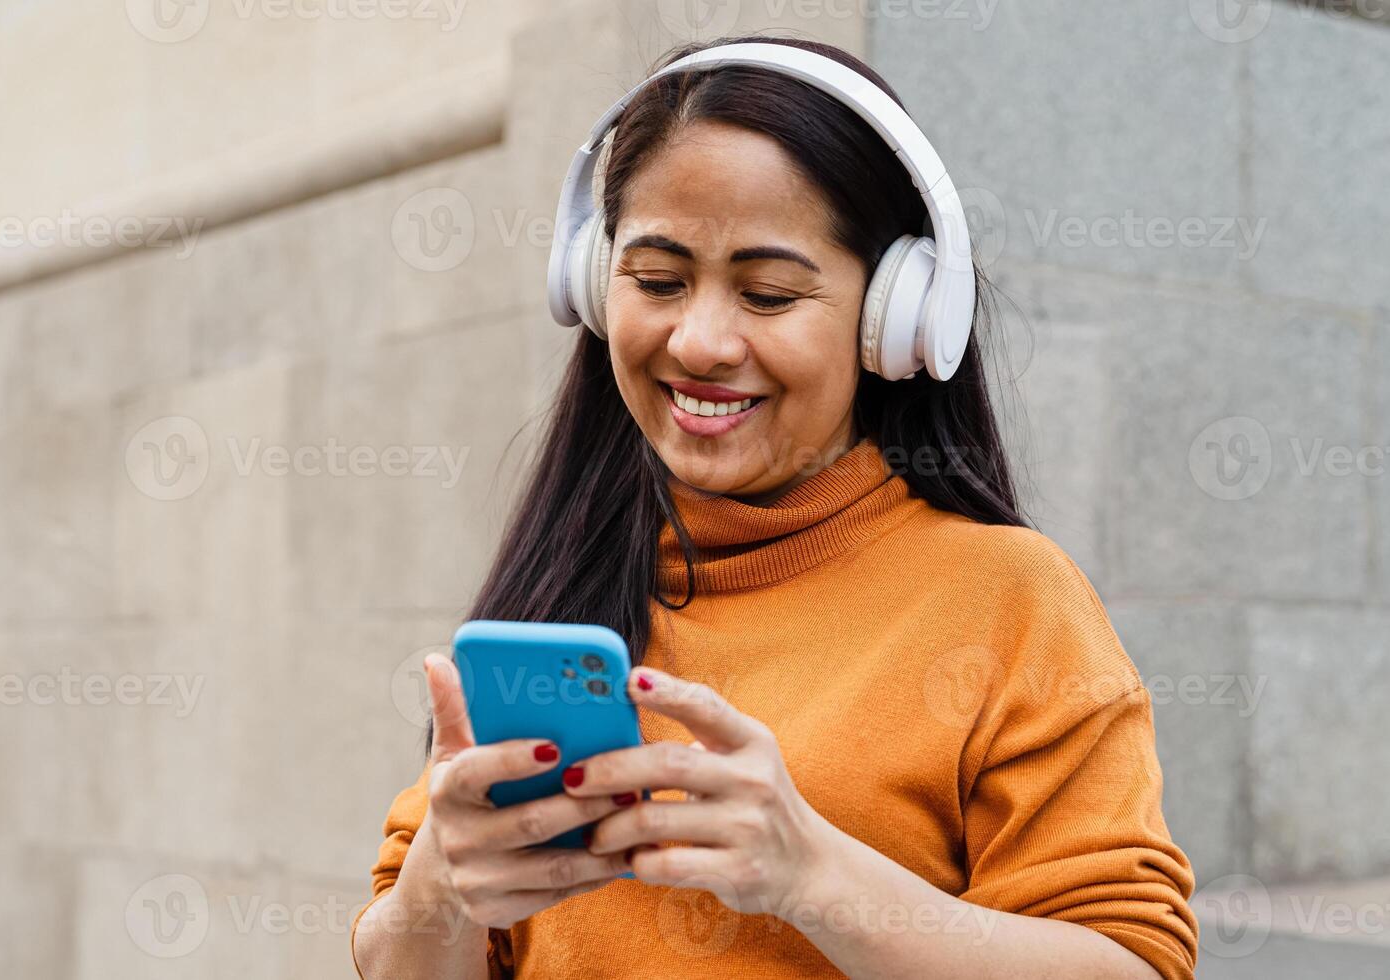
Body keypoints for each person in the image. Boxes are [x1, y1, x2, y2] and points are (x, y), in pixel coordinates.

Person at [352, 34, 1197, 980]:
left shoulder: (1008, 599)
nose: (701, 339)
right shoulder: (562, 585)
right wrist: (441, 887)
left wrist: (809, 873)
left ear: (896, 318)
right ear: (593, 285)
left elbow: (1130, 964)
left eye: (767, 293)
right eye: (657, 281)